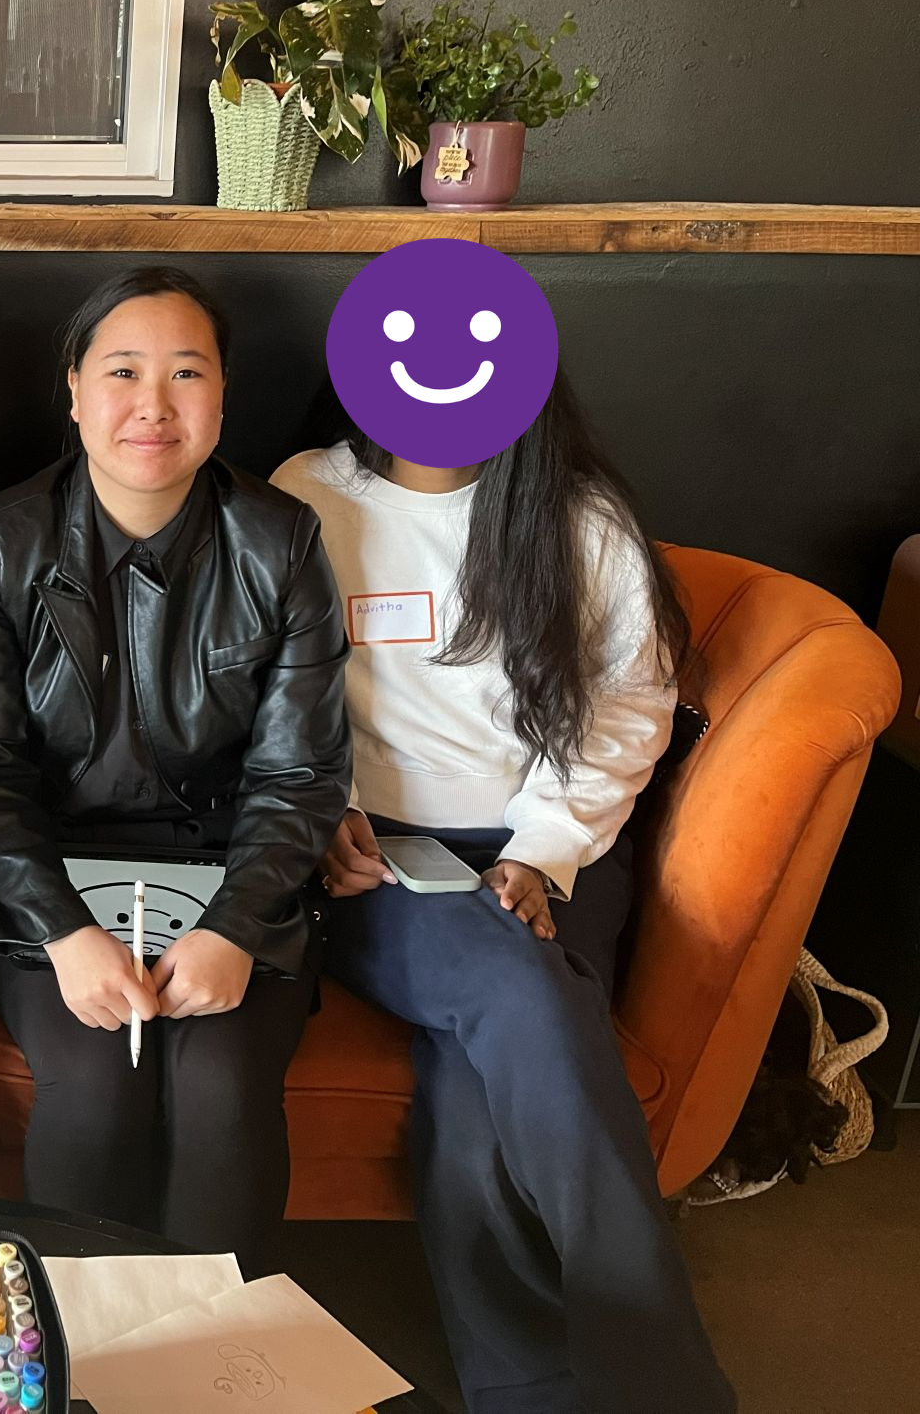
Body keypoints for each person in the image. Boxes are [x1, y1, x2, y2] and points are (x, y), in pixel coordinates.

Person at [272, 375, 735, 1413]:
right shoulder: (306, 493)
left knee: (480, 1089)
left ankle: (525, 1390)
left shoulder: (580, 518)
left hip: (551, 846)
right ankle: (665, 1387)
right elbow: (273, 678)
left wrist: (536, 854)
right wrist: (320, 811)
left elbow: (626, 707)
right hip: (373, 857)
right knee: (519, 995)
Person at [0, 267, 351, 1274]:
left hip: (232, 874)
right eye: (121, 371)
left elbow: (299, 773)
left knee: (219, 1092)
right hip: (49, 880)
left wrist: (234, 925)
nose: (151, 405)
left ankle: (215, 1365)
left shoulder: (280, 539)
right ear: (73, 391)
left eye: (184, 373)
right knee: (93, 1084)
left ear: (221, 398)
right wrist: (65, 933)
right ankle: (85, 1357)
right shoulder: (4, 537)